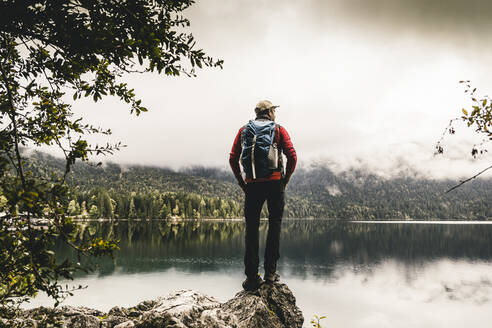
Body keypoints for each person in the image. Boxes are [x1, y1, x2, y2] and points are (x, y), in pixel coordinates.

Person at [229, 100, 297, 291]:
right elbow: (292, 156)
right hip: (275, 183)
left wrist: (241, 182)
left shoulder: (244, 130)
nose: (275, 113)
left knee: (251, 228)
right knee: (274, 225)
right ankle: (270, 273)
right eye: (274, 110)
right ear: (269, 112)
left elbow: (233, 157)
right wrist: (286, 180)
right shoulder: (279, 130)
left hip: (252, 185)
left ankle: (251, 277)